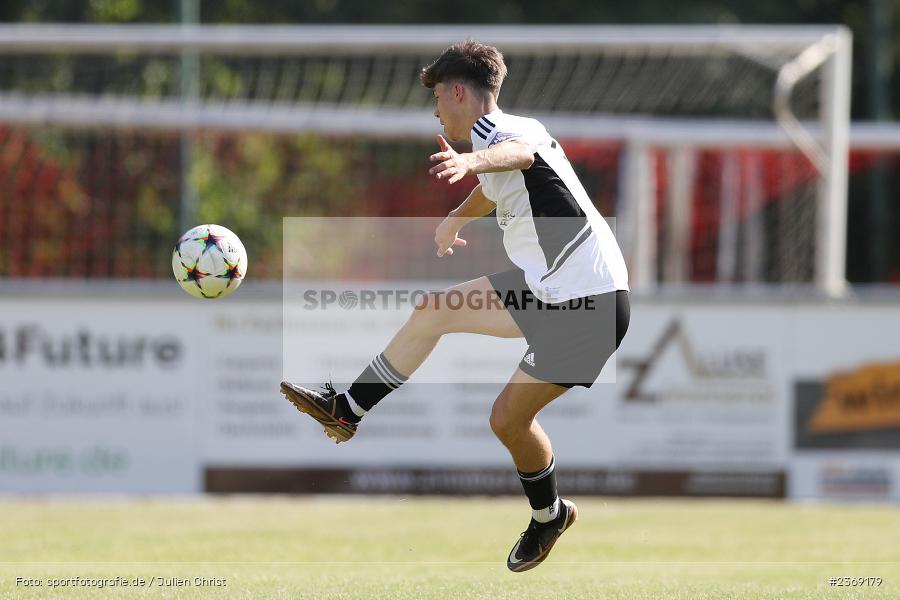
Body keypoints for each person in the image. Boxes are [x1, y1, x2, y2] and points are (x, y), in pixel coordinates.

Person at [281, 40, 630, 573]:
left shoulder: (511, 132)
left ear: (458, 91)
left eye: (438, 100)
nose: (437, 112)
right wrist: (456, 219)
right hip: (550, 290)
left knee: (507, 420)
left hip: (590, 303)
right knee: (435, 310)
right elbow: (498, 184)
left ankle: (547, 516)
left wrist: (469, 159)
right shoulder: (496, 141)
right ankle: (347, 411)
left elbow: (518, 156)